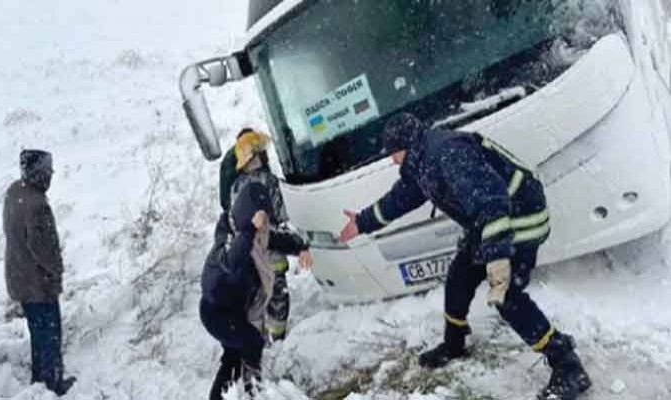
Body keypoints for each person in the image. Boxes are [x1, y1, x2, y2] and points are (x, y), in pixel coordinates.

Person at [338, 113, 591, 400]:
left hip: (519, 219)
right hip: (487, 223)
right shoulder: (422, 160)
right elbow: (402, 197)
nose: (392, 161)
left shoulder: (447, 154)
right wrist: (362, 222)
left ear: (405, 146)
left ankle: (566, 363)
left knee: (506, 296)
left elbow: (491, 201)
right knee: (459, 277)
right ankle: (454, 344)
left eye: (393, 154)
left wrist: (497, 260)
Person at [200, 182, 310, 400]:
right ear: (246, 215)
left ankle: (230, 394)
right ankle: (254, 392)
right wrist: (251, 229)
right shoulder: (226, 242)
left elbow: (277, 239)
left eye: (265, 221)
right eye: (260, 222)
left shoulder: (257, 237)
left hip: (235, 310)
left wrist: (301, 247)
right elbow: (232, 261)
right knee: (252, 343)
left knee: (234, 355)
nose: (263, 229)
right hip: (217, 313)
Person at [223, 128, 313, 341]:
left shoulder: (235, 186)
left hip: (246, 253)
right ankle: (278, 339)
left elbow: (232, 220)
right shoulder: (268, 180)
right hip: (270, 252)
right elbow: (282, 214)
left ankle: (257, 339)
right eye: (262, 151)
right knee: (277, 298)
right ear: (256, 156)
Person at [3, 149, 76, 396]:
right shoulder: (37, 205)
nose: (51, 176)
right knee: (50, 334)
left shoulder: (14, 192)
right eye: (47, 171)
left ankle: (38, 377)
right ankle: (53, 384)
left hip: (19, 277)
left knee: (38, 332)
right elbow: (43, 250)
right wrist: (57, 272)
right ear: (38, 174)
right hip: (38, 283)